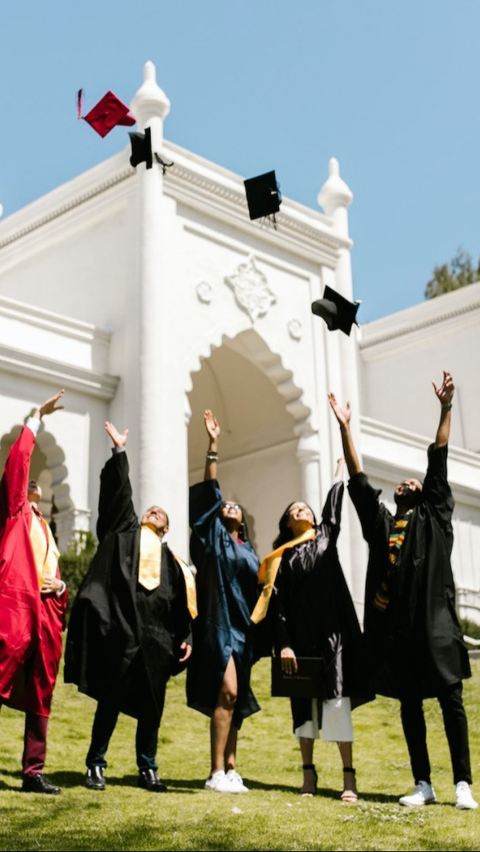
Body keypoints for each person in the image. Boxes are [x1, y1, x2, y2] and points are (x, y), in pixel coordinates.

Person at [329, 372, 478, 810]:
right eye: (402, 484)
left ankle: (463, 784)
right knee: (410, 707)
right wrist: (344, 428)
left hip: (436, 627)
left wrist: (446, 408)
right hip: (400, 633)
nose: (408, 483)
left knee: (452, 704)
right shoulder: (383, 528)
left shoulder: (435, 518)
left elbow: (439, 459)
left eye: (415, 482)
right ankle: (423, 783)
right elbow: (358, 482)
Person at [64, 421, 196, 792]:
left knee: (152, 708)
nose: (153, 513)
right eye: (150, 511)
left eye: (160, 514)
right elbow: (120, 496)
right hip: (124, 629)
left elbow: (182, 606)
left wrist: (185, 636)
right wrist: (119, 452)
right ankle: (95, 764)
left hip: (157, 640)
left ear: (167, 528)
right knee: (110, 701)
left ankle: (148, 768)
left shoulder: (175, 564)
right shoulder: (125, 535)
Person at [252, 459, 369, 801]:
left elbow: (334, 511)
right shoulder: (281, 559)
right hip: (299, 642)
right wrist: (284, 645)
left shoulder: (325, 537)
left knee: (336, 703)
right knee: (304, 709)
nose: (301, 509)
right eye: (294, 509)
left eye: (305, 507)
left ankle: (349, 779)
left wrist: (337, 478)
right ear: (287, 523)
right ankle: (308, 776)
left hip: (333, 637)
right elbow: (278, 607)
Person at [188, 410, 260, 794]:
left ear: (243, 522)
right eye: (224, 505)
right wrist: (213, 447)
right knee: (228, 690)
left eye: (235, 506)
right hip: (218, 623)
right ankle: (216, 771)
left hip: (243, 627)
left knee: (238, 701)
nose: (229, 505)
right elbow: (207, 501)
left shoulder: (249, 551)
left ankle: (232, 768)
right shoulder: (214, 539)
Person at [0, 390, 67, 794]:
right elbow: (17, 461)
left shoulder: (44, 526)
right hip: (16, 604)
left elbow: (49, 567)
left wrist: (60, 586)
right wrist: (35, 419)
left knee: (41, 688)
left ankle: (32, 772)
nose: (30, 483)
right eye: (25, 482)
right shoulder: (14, 513)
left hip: (46, 610)